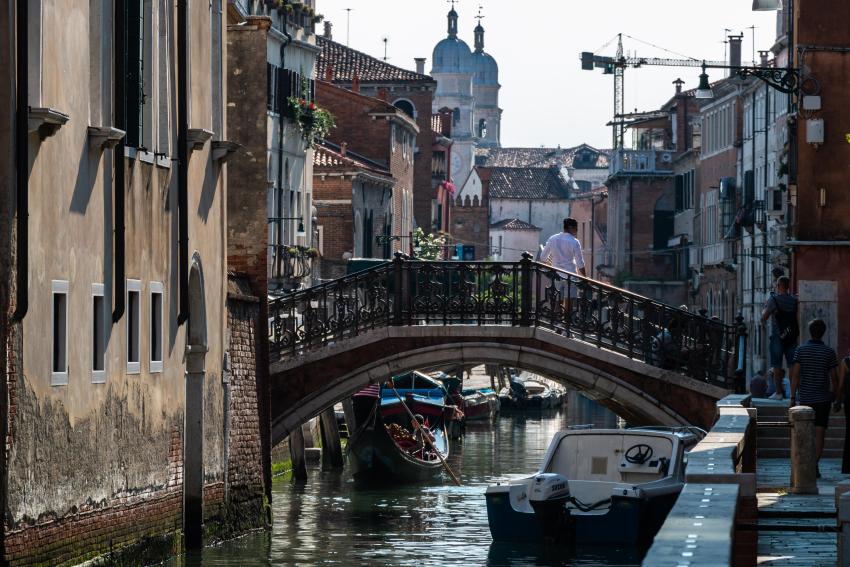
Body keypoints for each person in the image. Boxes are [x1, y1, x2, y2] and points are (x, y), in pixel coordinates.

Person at [789, 318, 839, 477]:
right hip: (823, 399)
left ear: (810, 332)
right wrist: (837, 397)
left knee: (805, 433)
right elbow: (834, 377)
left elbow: (795, 375)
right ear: (823, 333)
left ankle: (808, 464)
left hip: (806, 399)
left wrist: (792, 397)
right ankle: (814, 463)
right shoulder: (829, 352)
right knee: (819, 434)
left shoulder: (800, 350)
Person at [540, 217, 587, 320]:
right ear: (570, 228)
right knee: (569, 304)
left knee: (557, 302)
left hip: (556, 275)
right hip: (571, 276)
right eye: (576, 228)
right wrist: (585, 278)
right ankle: (566, 328)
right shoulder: (575, 242)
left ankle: (557, 325)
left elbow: (542, 257)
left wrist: (549, 262)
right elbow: (580, 263)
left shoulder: (552, 238)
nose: (577, 231)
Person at [762, 276, 799, 400]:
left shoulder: (773, 300)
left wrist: (765, 306)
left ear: (778, 286)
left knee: (776, 364)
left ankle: (778, 393)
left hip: (778, 336)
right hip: (791, 335)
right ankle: (794, 392)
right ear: (788, 286)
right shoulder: (794, 300)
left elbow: (764, 317)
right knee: (792, 364)